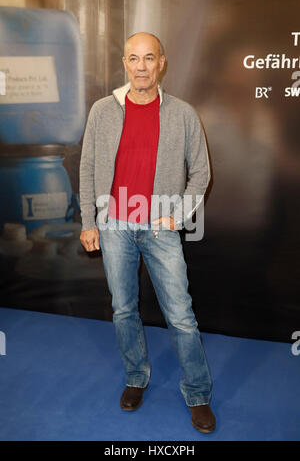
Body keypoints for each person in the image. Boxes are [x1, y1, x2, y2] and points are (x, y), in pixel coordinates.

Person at [79, 32, 215, 433]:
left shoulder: (183, 113)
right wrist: (89, 220)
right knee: (123, 310)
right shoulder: (102, 111)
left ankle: (198, 393)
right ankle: (136, 378)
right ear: (124, 63)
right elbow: (87, 167)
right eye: (134, 59)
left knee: (181, 316)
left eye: (149, 58)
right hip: (114, 226)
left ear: (162, 63)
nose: (141, 66)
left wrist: (177, 214)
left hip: (159, 227)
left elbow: (201, 172)